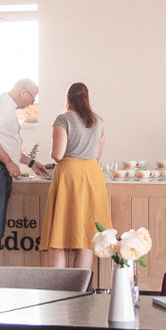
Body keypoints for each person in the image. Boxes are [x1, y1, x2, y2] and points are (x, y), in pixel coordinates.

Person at [0, 79, 46, 266]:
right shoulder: (0, 105)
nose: (33, 103)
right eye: (33, 97)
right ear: (23, 92)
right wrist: (8, 162)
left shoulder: (7, 108)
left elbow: (5, 144)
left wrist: (31, 163)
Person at [41, 83, 111, 270]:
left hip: (70, 176)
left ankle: (59, 286)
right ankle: (81, 285)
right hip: (92, 175)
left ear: (68, 98)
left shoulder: (63, 119)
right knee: (86, 238)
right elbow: (98, 155)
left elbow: (58, 154)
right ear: (87, 98)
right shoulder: (98, 121)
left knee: (58, 239)